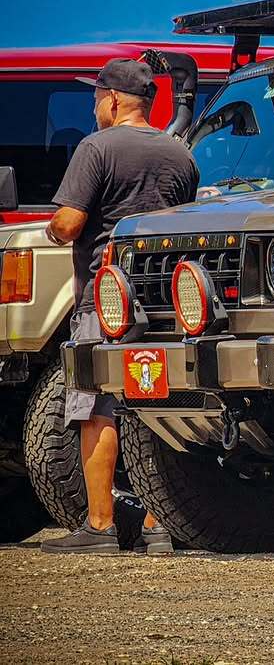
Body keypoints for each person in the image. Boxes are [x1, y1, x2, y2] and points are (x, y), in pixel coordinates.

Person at [40, 59, 199, 555]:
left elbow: (69, 222)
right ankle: (158, 524)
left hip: (104, 299)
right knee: (158, 408)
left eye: (95, 100)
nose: (94, 109)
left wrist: (53, 230)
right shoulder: (181, 154)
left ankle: (100, 525)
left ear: (111, 99)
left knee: (96, 407)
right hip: (165, 304)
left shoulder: (96, 148)